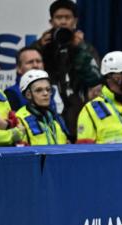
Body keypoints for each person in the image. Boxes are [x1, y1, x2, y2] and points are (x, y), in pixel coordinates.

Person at [33, 0, 103, 137]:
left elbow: (95, 78)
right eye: (59, 18)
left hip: (78, 111)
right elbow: (28, 73)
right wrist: (40, 46)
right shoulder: (42, 45)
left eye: (68, 17)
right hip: (49, 108)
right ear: (51, 21)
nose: (63, 22)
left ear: (75, 21)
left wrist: (80, 49)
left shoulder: (83, 46)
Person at [16, 70, 70, 145]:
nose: (45, 93)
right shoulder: (19, 119)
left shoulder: (55, 117)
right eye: (39, 90)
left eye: (48, 89)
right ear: (28, 94)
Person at [4, 47, 62, 113]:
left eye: (38, 61)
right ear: (18, 68)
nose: (35, 65)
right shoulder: (11, 94)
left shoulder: (54, 91)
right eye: (30, 62)